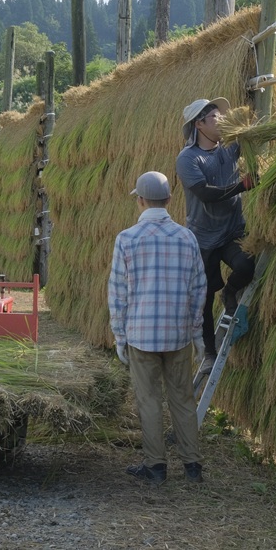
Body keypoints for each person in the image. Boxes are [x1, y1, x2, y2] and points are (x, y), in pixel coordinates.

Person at [108, 171, 207, 485]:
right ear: (170, 199)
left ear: (139, 200)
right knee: (182, 399)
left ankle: (156, 467)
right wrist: (195, 331)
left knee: (149, 400)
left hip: (141, 335)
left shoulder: (126, 239)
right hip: (177, 334)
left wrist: (120, 336)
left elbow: (118, 293)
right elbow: (198, 288)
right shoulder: (187, 237)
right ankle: (192, 466)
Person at [175, 97, 257, 374]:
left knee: (246, 265)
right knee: (205, 297)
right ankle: (209, 353)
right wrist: (242, 186)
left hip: (232, 231)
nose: (221, 121)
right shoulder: (188, 159)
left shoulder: (229, 148)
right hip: (203, 239)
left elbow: (253, 137)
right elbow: (206, 194)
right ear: (199, 124)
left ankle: (231, 291)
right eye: (215, 118)